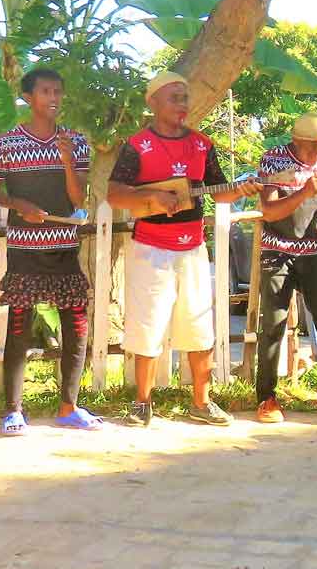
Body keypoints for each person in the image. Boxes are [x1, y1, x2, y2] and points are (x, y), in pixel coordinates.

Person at [105, 72, 258, 427]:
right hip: (150, 249)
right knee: (147, 324)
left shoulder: (202, 144)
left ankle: (201, 402)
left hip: (192, 248)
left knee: (199, 323)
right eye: (174, 97)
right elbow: (114, 194)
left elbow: (220, 191)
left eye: (185, 97)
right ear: (153, 102)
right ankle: (142, 403)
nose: (182, 104)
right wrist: (152, 196)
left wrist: (241, 189)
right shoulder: (137, 145)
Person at [0, 66, 101, 435]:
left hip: (65, 248)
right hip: (24, 248)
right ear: (28, 97)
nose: (53, 98)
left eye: (58, 92)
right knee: (19, 328)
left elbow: (78, 199)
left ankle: (69, 407)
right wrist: (17, 204)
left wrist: (66, 160)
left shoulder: (75, 143)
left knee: (77, 326)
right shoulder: (6, 144)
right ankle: (13, 411)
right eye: (46, 91)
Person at [253, 112, 317, 422]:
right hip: (278, 251)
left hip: (316, 252)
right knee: (273, 325)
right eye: (316, 148)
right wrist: (304, 193)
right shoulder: (274, 160)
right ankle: (267, 398)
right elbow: (269, 212)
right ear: (298, 142)